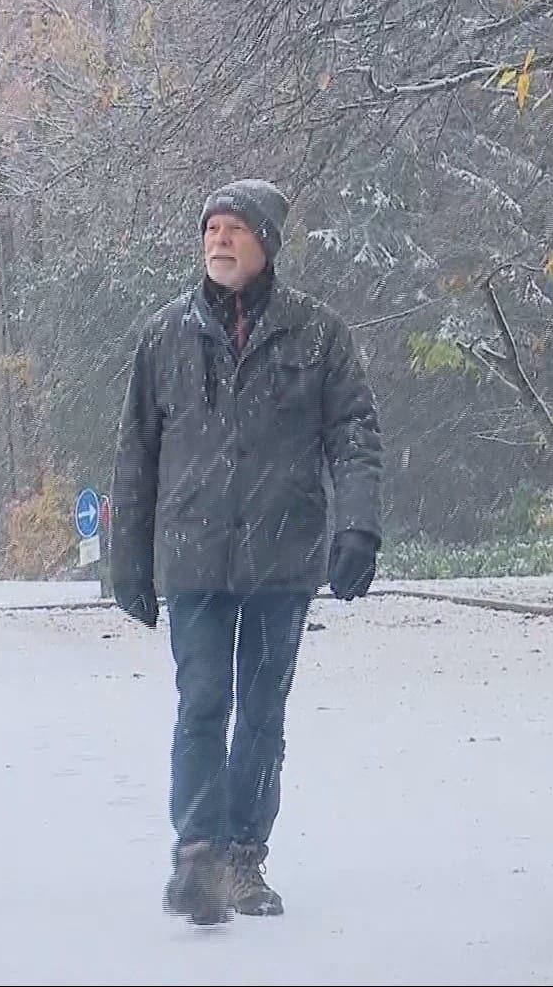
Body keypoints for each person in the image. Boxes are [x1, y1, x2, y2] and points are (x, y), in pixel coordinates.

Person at [109, 178, 383, 925]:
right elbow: (136, 456)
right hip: (194, 553)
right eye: (211, 229)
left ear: (267, 242)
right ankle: (197, 851)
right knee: (202, 702)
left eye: (235, 229)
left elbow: (354, 435)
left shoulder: (318, 335)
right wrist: (126, 561)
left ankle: (242, 856)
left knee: (261, 712)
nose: (219, 240)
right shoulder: (164, 337)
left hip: (281, 556)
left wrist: (358, 526)